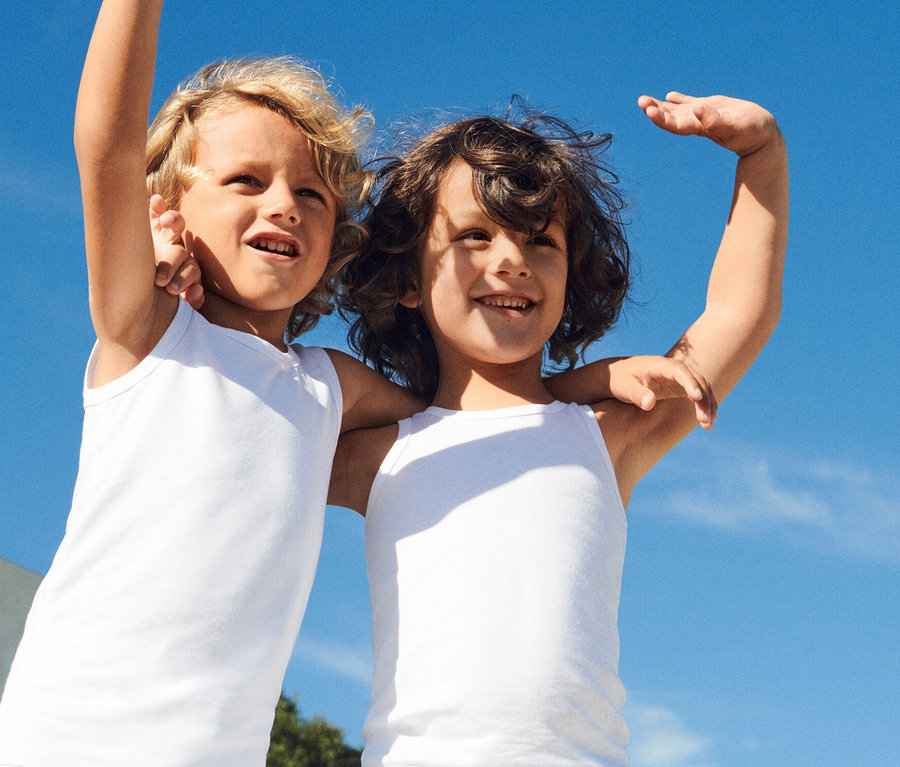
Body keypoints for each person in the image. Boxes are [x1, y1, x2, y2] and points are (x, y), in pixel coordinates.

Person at [0, 2, 714, 764]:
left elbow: (479, 412)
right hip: (67, 733)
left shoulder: (329, 387)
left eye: (312, 195)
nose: (283, 205)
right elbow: (107, 147)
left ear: (336, 239)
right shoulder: (147, 332)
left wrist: (592, 380)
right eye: (246, 180)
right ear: (168, 209)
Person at [329, 94, 788, 765]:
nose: (512, 259)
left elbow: (740, 313)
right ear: (406, 279)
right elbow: (240, 412)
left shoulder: (602, 435)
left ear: (571, 277)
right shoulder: (379, 452)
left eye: (541, 240)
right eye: (475, 235)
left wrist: (762, 154)